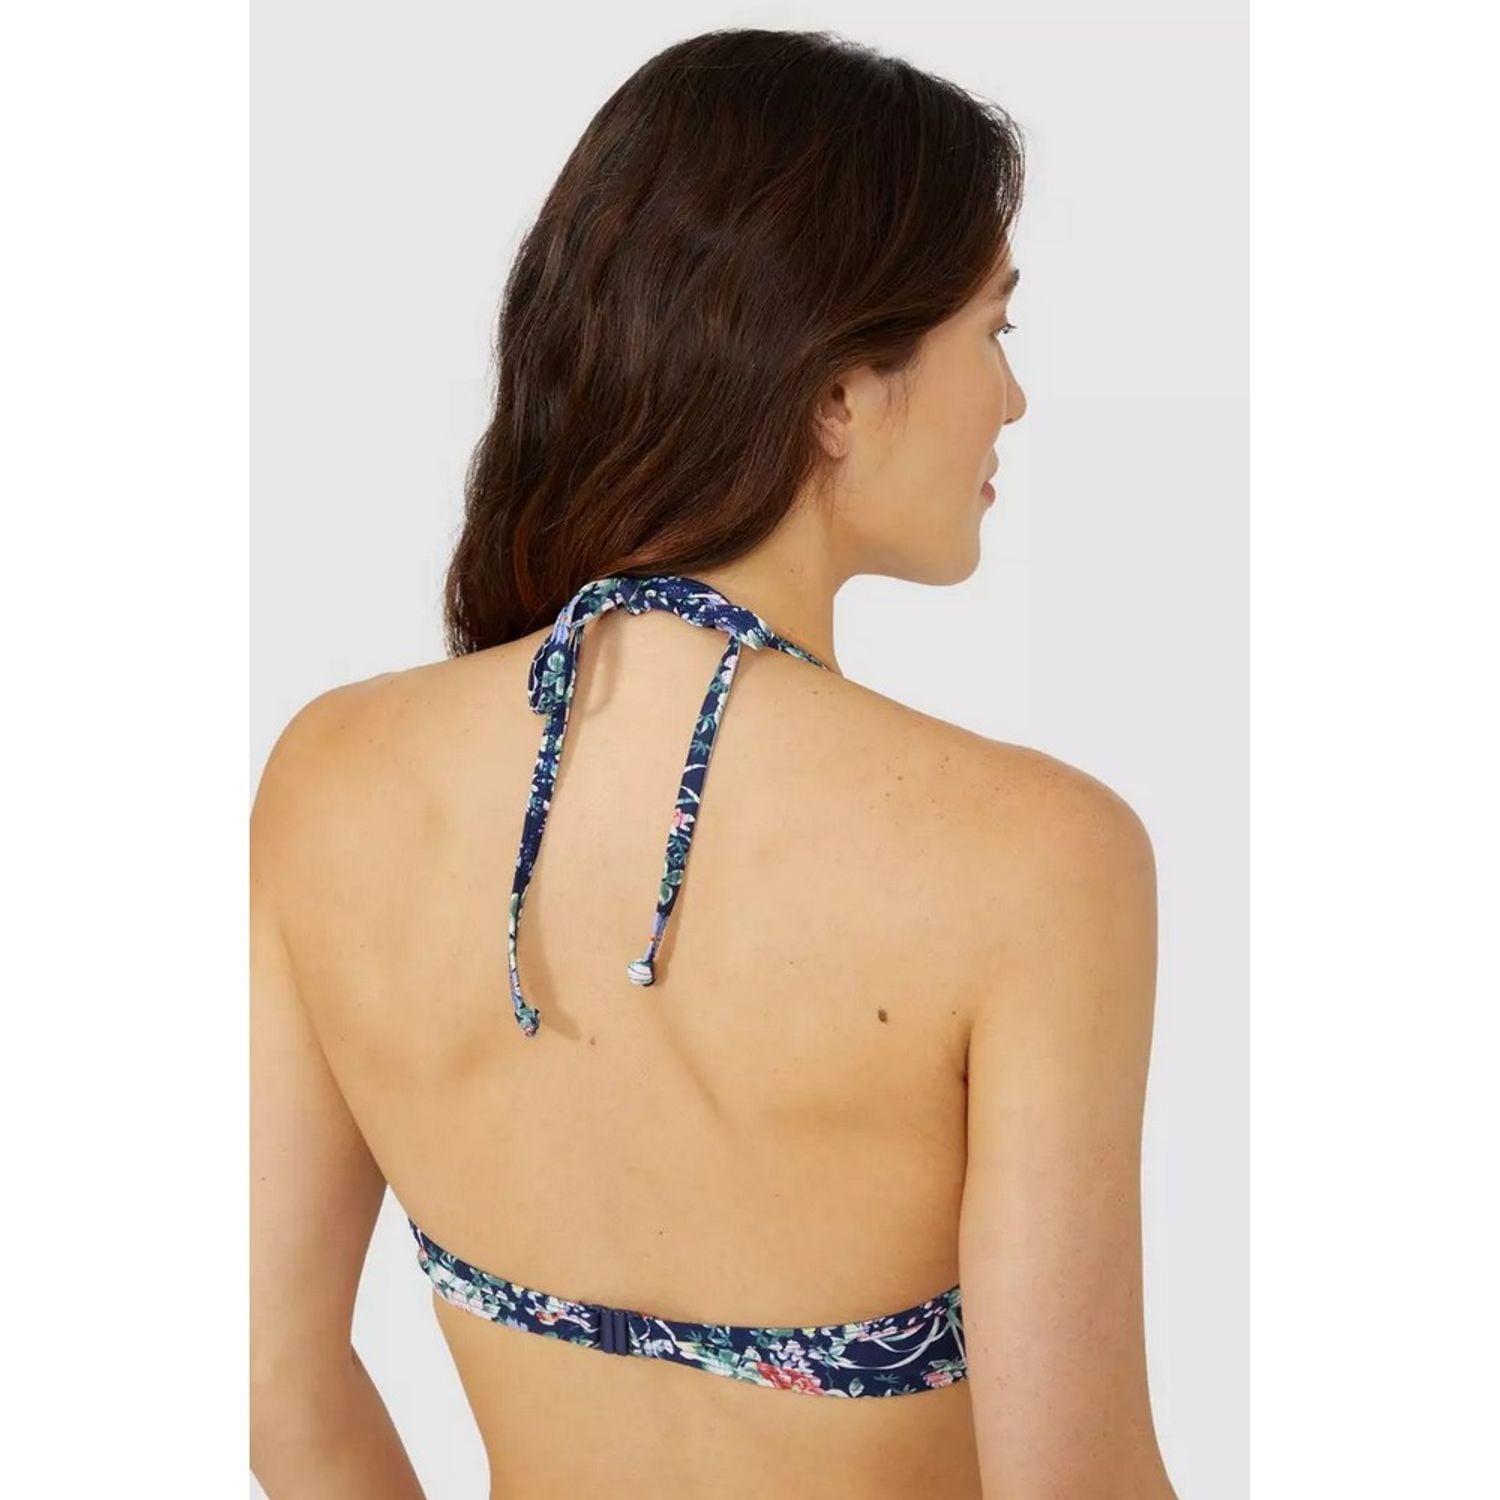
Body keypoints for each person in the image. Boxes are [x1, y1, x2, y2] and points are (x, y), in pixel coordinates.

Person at [251, 26, 1177, 1499]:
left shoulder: (330, 776)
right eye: (994, 331)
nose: (1011, 399)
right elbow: (1078, 1483)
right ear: (836, 393)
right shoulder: (1037, 858)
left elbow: (275, 1383)